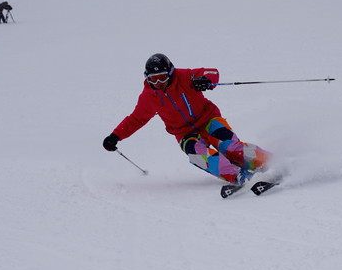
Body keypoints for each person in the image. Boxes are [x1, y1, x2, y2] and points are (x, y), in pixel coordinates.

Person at [103, 53, 271, 186]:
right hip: (184, 133)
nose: (159, 82)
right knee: (198, 155)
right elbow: (136, 119)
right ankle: (238, 176)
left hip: (208, 120)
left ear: (170, 73)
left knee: (230, 147)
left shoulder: (183, 77)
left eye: (162, 77)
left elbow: (211, 72)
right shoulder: (149, 97)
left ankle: (270, 162)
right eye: (153, 79)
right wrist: (115, 136)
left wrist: (204, 80)